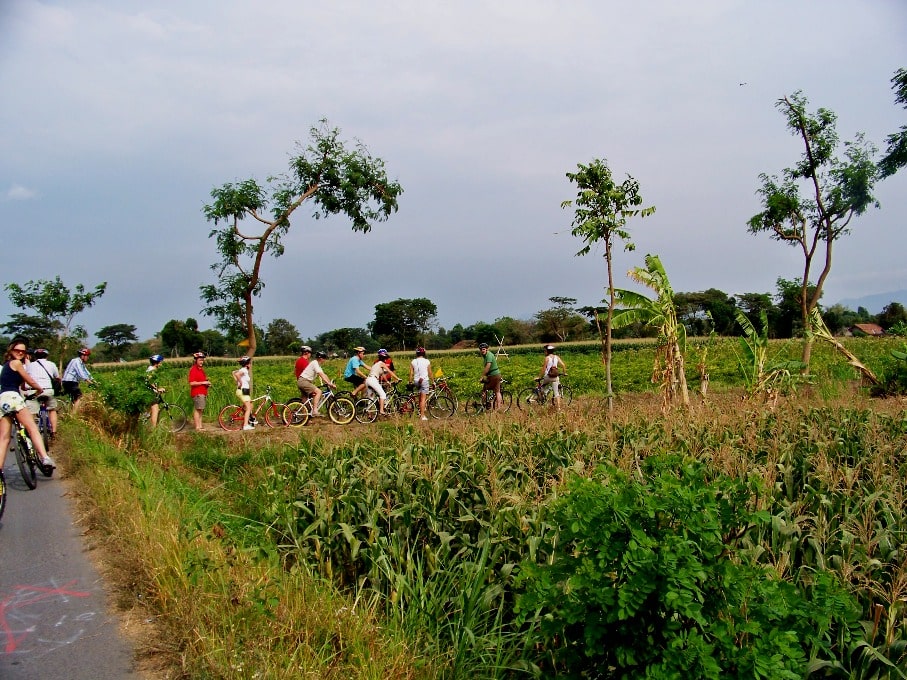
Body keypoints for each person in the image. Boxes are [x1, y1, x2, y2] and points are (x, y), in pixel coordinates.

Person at [0, 340, 55, 481]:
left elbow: (23, 386)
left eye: (23, 351)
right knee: (32, 428)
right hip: (13, 397)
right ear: (11, 351)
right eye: (17, 350)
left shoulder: (7, 366)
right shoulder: (17, 363)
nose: (20, 352)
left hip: (2, 400)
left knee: (4, 438)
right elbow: (29, 381)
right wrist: (39, 389)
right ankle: (45, 458)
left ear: (26, 354)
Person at [25, 347, 60, 436]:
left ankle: (32, 433)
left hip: (34, 391)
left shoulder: (30, 366)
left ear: (35, 356)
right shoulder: (51, 364)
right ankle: (54, 432)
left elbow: (26, 379)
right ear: (47, 356)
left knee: (32, 413)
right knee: (52, 410)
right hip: (48, 390)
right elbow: (57, 377)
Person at [298, 351, 336, 416]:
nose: (325, 360)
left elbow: (324, 374)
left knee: (306, 400)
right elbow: (320, 374)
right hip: (304, 381)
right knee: (319, 392)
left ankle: (304, 416)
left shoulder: (317, 365)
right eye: (324, 359)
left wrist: (329, 382)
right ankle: (315, 410)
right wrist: (329, 384)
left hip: (303, 381)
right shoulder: (315, 363)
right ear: (321, 359)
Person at [366, 350, 400, 416]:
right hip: (373, 380)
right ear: (384, 359)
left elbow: (383, 375)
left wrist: (387, 382)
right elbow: (390, 371)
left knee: (371, 397)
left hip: (368, 380)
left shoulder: (376, 364)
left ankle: (369, 413)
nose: (386, 360)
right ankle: (381, 410)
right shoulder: (381, 363)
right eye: (385, 358)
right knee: (383, 395)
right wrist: (397, 378)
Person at [61, 347, 95, 412]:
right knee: (79, 397)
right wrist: (88, 381)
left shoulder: (81, 363)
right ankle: (73, 416)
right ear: (83, 356)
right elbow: (81, 372)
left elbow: (86, 372)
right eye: (87, 356)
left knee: (75, 399)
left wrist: (93, 380)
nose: (88, 357)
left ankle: (70, 412)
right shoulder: (76, 361)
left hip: (72, 382)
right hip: (69, 382)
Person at [538, 344, 567, 410]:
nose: (544, 352)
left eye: (545, 351)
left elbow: (544, 368)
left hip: (547, 377)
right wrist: (564, 373)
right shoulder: (557, 357)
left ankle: (542, 396)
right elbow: (563, 365)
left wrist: (539, 377)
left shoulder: (547, 358)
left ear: (547, 351)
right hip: (555, 377)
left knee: (541, 386)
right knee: (556, 393)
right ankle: (559, 409)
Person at [188, 351, 211, 431]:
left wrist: (207, 383)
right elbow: (191, 383)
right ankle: (197, 427)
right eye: (200, 360)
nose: (201, 361)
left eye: (202, 360)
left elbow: (202, 380)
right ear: (196, 360)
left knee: (201, 409)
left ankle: (200, 426)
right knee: (198, 409)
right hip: (197, 392)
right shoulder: (193, 370)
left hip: (202, 392)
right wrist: (203, 382)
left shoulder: (201, 370)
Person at [409, 347, 432, 421]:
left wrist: (410, 381)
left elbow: (411, 373)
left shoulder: (413, 361)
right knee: (423, 399)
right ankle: (422, 416)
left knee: (420, 397)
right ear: (424, 353)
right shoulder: (427, 361)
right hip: (424, 381)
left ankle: (419, 412)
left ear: (417, 353)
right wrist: (433, 381)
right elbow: (430, 372)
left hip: (416, 381)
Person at [478, 342, 503, 410]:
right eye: (481, 349)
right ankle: (494, 406)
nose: (482, 351)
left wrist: (482, 376)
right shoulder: (486, 355)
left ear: (487, 349)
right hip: (494, 375)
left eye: (483, 349)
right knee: (497, 391)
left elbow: (488, 367)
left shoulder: (489, 355)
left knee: (487, 390)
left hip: (494, 375)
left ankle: (485, 405)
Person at [232, 356, 254, 430]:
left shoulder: (243, 370)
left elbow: (235, 374)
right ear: (247, 364)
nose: (250, 365)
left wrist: (238, 381)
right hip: (243, 391)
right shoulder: (244, 370)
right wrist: (241, 383)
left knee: (251, 405)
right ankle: (245, 425)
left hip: (243, 391)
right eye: (249, 363)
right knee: (248, 408)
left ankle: (251, 419)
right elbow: (237, 375)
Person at [144, 354, 165, 426]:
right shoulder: (152, 370)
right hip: (149, 392)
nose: (161, 363)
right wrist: (157, 389)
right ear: (156, 363)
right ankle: (153, 429)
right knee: (155, 409)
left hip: (149, 391)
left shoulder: (151, 369)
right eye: (161, 362)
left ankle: (144, 423)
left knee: (149, 410)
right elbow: (150, 381)